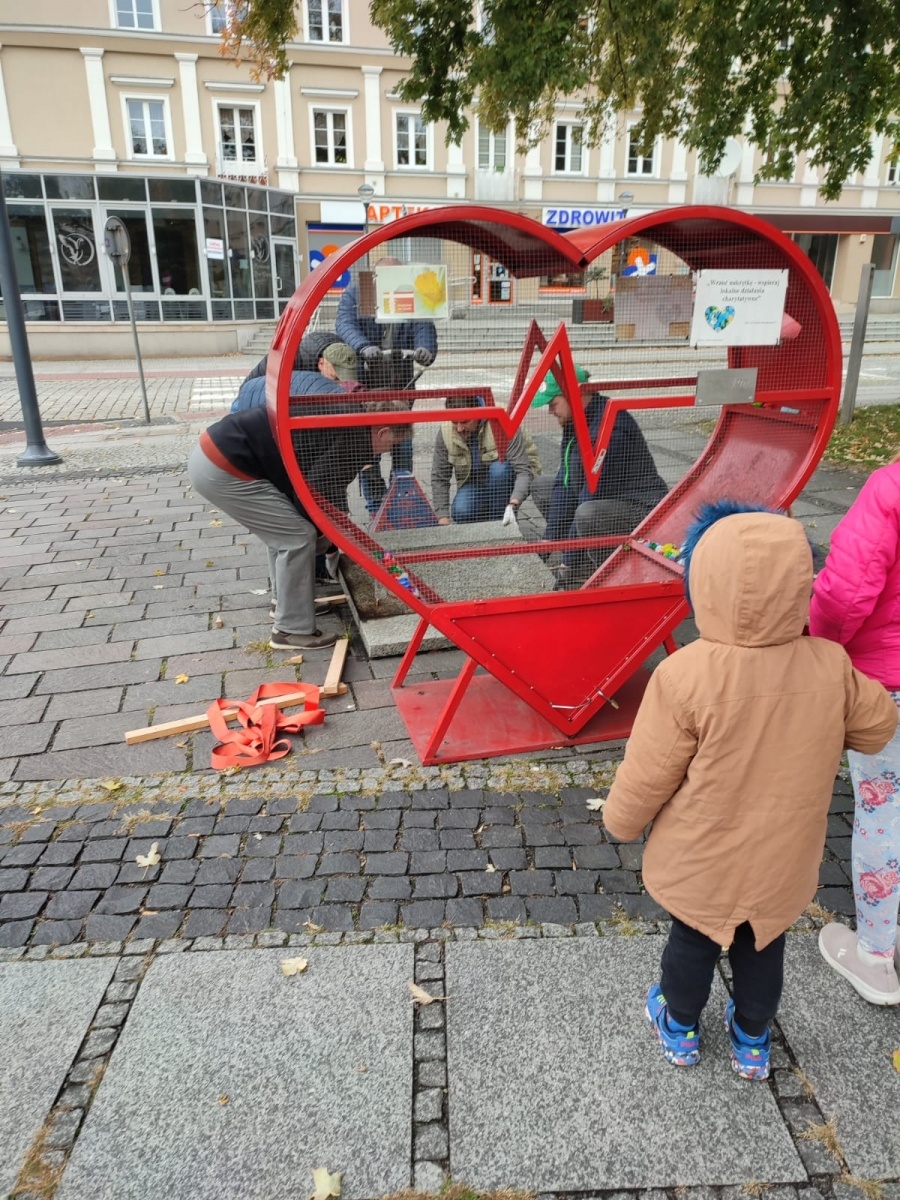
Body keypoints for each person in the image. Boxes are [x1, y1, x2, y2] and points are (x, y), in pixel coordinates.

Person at [603, 503, 897, 1079]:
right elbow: (879, 725)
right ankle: (753, 1039)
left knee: (691, 943)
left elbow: (649, 771)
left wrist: (621, 821)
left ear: (700, 582)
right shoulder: (829, 665)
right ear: (801, 585)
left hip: (703, 857)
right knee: (764, 947)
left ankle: (681, 1027)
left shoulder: (685, 673)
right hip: (781, 860)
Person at [188, 394, 409, 651]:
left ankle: (286, 604)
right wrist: (328, 541)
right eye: (394, 442)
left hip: (218, 451)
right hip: (224, 464)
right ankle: (290, 630)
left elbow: (324, 490)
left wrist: (330, 534)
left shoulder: (351, 418)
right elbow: (316, 491)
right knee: (296, 537)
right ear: (383, 432)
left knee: (285, 528)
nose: (390, 449)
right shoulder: (355, 436)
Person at [809, 456, 900, 1004]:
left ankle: (873, 954)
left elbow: (846, 592)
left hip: (886, 685)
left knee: (882, 809)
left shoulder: (891, 487)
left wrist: (822, 647)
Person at [530, 366, 668, 588]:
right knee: (543, 486)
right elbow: (565, 480)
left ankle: (610, 570)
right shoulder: (576, 417)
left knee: (587, 513)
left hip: (642, 510)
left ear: (575, 395)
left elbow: (591, 494)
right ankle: (581, 553)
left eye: (552, 404)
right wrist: (547, 541)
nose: (549, 411)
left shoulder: (610, 429)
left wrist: (567, 562)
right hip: (601, 496)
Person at [336, 258, 437, 513]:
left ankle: (401, 503)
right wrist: (362, 346)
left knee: (402, 442)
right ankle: (374, 507)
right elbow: (344, 323)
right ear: (375, 277)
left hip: (399, 382)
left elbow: (424, 324)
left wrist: (425, 349)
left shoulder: (409, 291)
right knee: (368, 447)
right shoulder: (360, 291)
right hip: (367, 382)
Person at [431, 396, 541, 525]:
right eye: (454, 422)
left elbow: (524, 470)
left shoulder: (503, 420)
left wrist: (514, 502)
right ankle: (486, 514)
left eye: (465, 422)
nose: (459, 428)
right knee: (461, 511)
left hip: (506, 479)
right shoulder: (445, 431)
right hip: (474, 483)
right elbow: (439, 477)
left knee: (499, 470)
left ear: (478, 413)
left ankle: (501, 521)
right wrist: (442, 516)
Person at [231, 341, 358, 412]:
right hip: (251, 401)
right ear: (321, 363)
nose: (338, 385)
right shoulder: (293, 359)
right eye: (335, 378)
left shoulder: (341, 350)